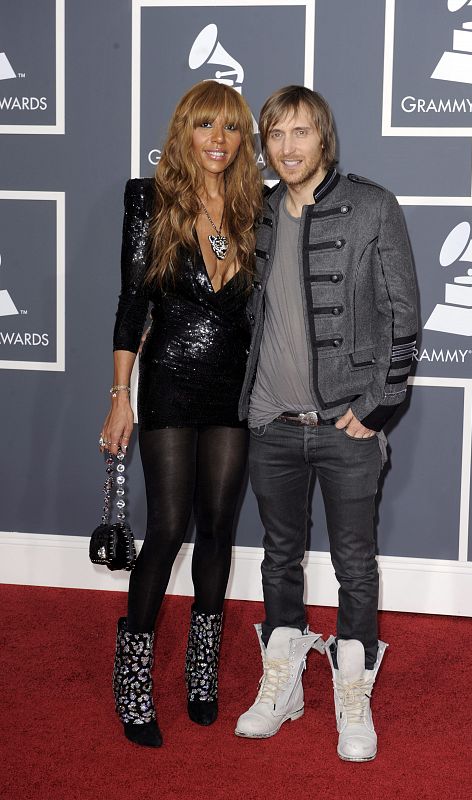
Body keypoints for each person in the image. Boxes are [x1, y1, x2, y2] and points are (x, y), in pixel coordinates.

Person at [234, 86, 418, 762]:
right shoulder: (253, 212)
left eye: (300, 133)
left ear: (324, 138)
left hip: (345, 428)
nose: (286, 147)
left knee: (354, 565)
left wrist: (376, 407)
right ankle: (282, 686)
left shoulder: (372, 206)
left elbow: (403, 316)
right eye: (275, 134)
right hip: (270, 425)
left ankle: (351, 694)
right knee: (278, 558)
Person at [99, 81, 263, 748]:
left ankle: (202, 674)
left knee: (219, 530)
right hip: (168, 383)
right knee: (167, 529)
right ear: (183, 133)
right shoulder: (150, 199)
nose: (216, 140)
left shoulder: (258, 209)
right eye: (204, 126)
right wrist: (120, 397)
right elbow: (131, 306)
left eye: (228, 128)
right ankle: (133, 678)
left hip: (233, 390)